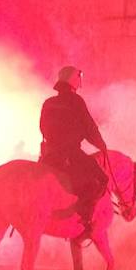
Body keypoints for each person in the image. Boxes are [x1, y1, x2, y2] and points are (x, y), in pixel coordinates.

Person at [39, 66, 109, 240]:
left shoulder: (48, 102)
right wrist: (101, 145)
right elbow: (89, 127)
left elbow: (42, 127)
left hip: (48, 155)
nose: (80, 80)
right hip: (70, 154)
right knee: (100, 180)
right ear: (72, 80)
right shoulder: (76, 101)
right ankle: (85, 222)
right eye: (78, 77)